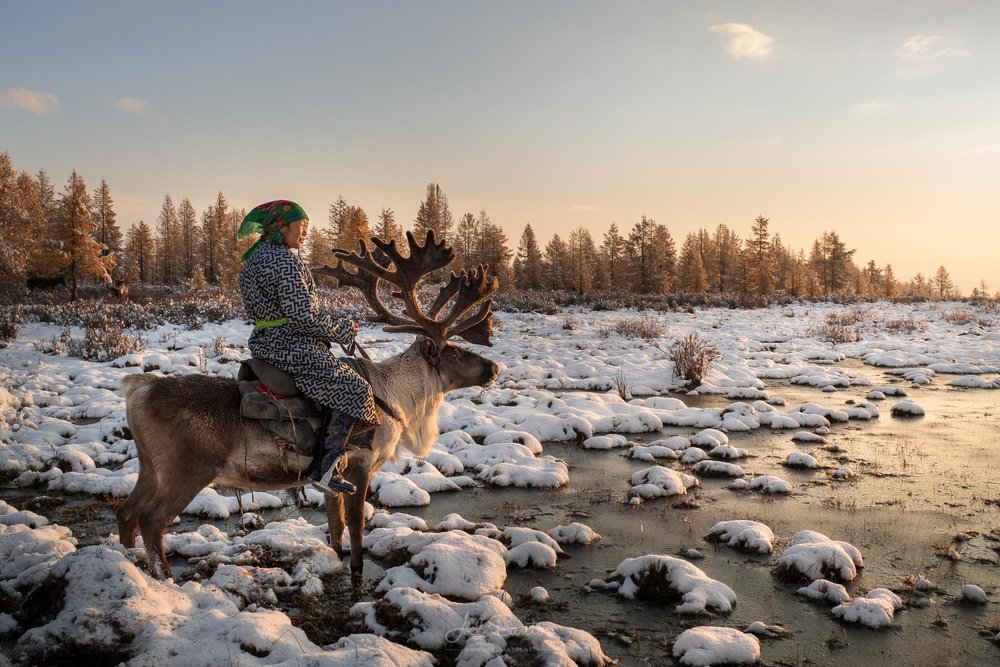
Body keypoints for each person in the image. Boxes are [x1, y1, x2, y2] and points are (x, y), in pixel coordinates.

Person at [236, 200, 379, 495]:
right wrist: (341, 329)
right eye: (301, 228)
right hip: (291, 345)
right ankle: (325, 469)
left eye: (306, 228)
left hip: (266, 344)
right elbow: (303, 317)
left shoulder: (255, 259)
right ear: (282, 227)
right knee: (357, 390)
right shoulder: (285, 262)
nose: (304, 234)